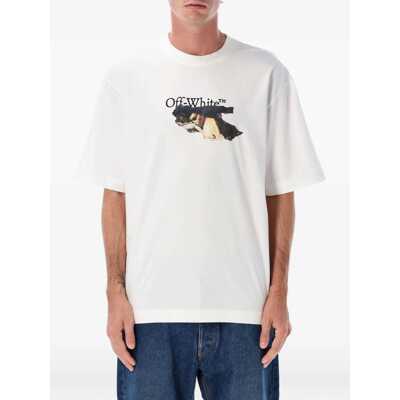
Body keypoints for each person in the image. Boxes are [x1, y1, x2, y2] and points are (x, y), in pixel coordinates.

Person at [81, 1, 325, 398]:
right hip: (149, 314)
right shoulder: (126, 78)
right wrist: (115, 292)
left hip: (247, 314)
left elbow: (280, 191)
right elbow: (116, 193)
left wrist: (279, 292)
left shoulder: (267, 73)